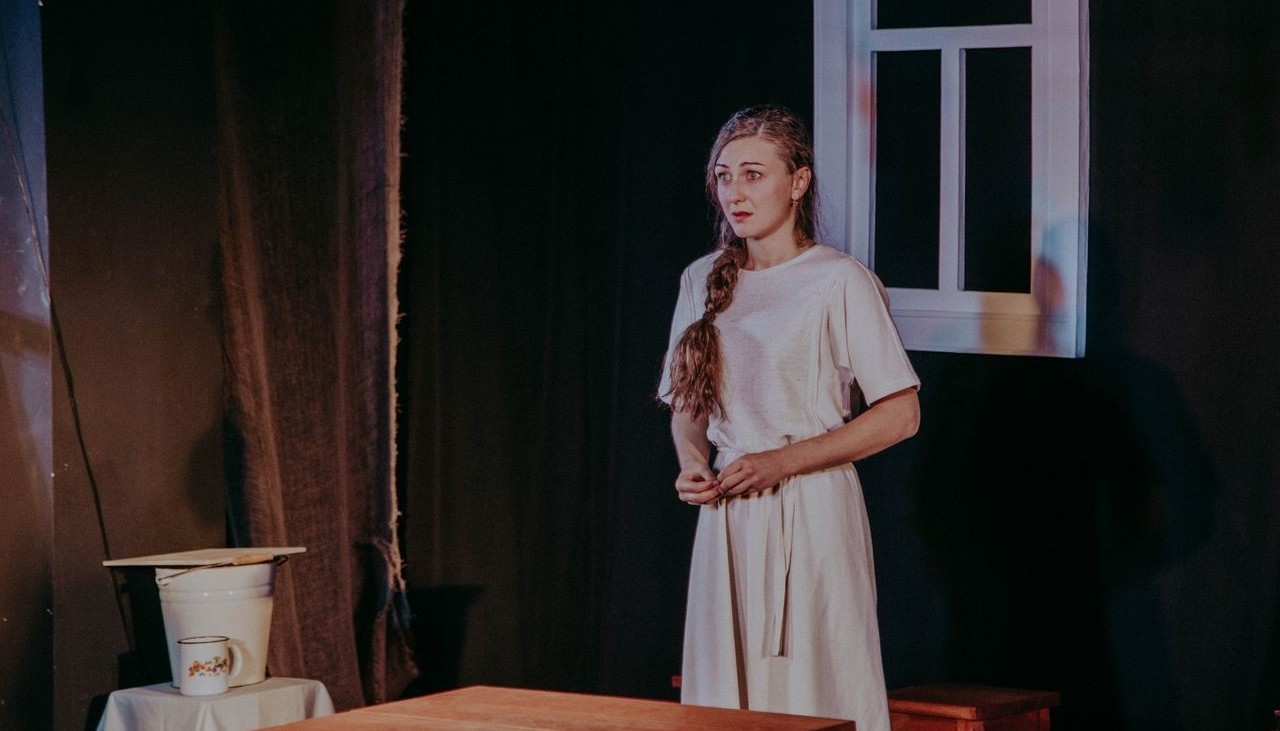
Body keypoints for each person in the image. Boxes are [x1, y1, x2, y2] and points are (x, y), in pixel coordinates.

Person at [657, 104, 920, 729]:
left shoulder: (838, 280)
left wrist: (782, 461)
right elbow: (688, 406)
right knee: (726, 696)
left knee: (814, 686)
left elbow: (900, 414)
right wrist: (693, 463)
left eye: (754, 174)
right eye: (724, 177)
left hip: (812, 509)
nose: (735, 193)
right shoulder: (701, 279)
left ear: (798, 181)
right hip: (728, 517)